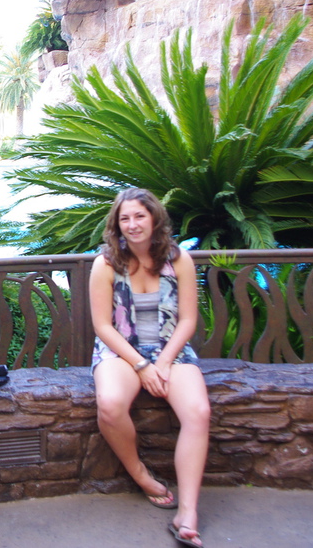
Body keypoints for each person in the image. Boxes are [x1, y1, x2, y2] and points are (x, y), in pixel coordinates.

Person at [89, 188, 211, 548]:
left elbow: (188, 320)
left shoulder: (179, 259)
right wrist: (142, 365)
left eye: (139, 216)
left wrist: (164, 361)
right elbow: (103, 326)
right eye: (125, 218)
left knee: (199, 412)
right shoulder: (105, 264)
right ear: (116, 224)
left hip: (170, 348)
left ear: (154, 218)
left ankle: (188, 511)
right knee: (110, 404)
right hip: (121, 350)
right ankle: (140, 474)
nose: (133, 224)